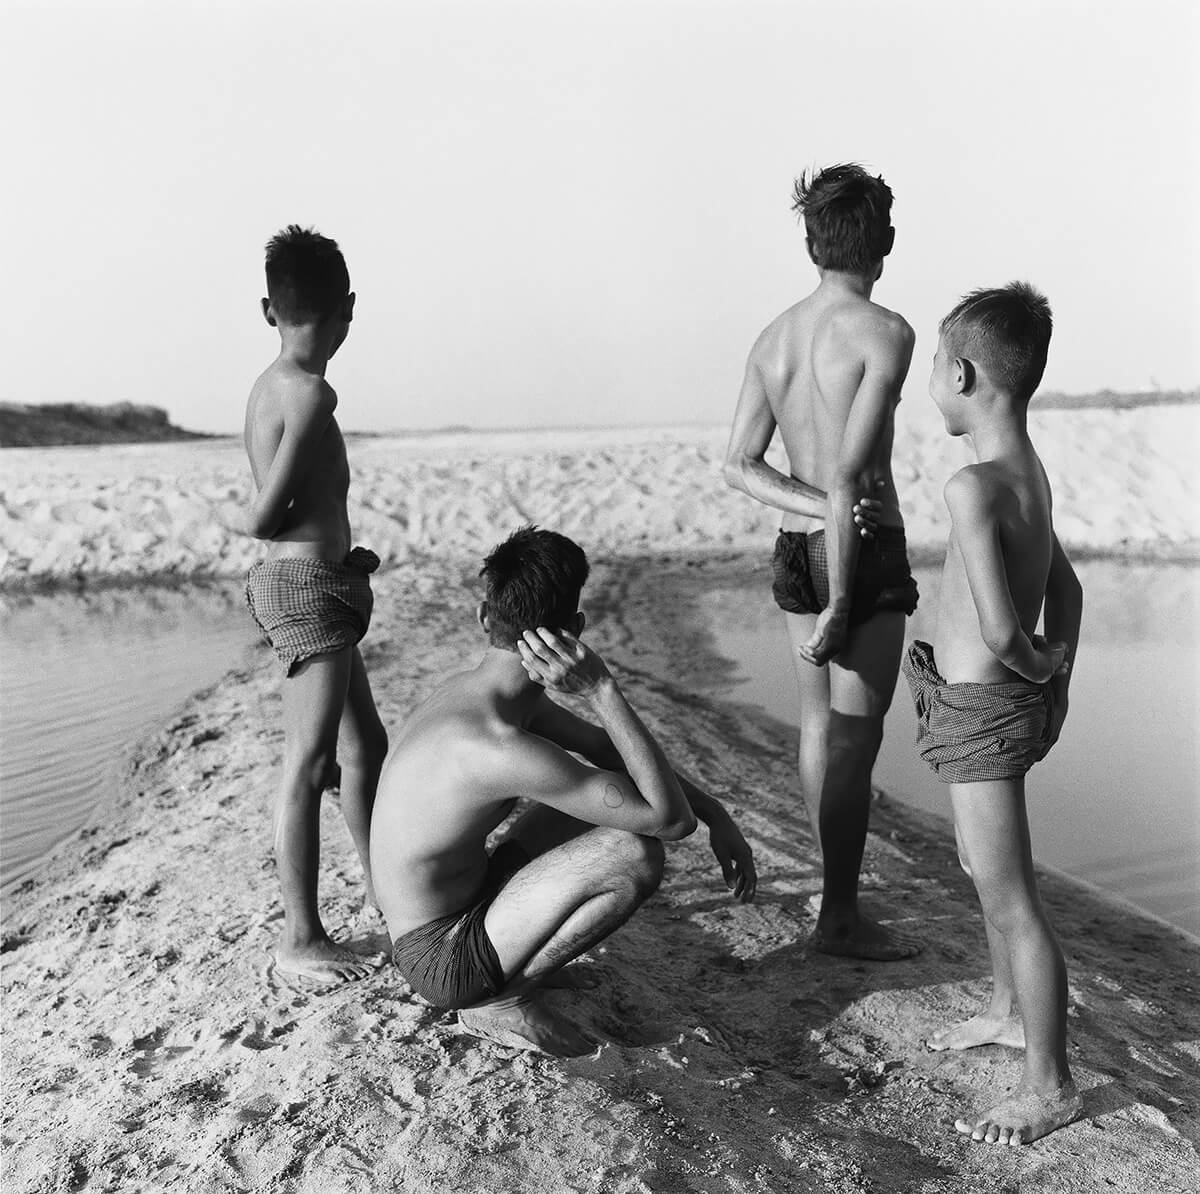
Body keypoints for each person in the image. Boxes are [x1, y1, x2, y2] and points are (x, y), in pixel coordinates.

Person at [370, 527, 757, 1055]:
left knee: (613, 793)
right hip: (442, 956)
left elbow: (604, 749)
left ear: (486, 617)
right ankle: (501, 1001)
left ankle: (514, 963)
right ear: (576, 629)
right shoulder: (497, 745)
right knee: (635, 851)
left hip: (459, 904)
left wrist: (716, 812)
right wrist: (601, 688)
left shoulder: (470, 693)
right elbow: (671, 822)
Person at [724, 163, 919, 960]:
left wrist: (808, 508)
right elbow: (847, 476)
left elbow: (739, 462)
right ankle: (839, 915)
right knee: (857, 736)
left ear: (811, 244)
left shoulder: (774, 337)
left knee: (818, 725)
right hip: (858, 556)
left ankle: (833, 898)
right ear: (887, 243)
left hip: (798, 548)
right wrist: (842, 599)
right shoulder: (886, 334)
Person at [907, 282, 1083, 1144]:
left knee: (1013, 897)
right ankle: (1008, 1011)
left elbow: (1004, 629)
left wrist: (1037, 664)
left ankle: (1049, 1083)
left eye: (935, 369)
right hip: (984, 704)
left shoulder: (973, 486)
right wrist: (1060, 681)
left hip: (979, 708)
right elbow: (1070, 590)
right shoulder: (1028, 473)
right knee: (982, 868)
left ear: (965, 373)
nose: (931, 384)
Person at [243, 226, 389, 985]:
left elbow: (308, 497)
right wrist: (260, 527)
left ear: (269, 307)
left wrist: (343, 556)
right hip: (303, 587)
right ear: (349, 308)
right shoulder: (310, 390)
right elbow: (268, 516)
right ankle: (300, 939)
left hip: (320, 580)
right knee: (309, 762)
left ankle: (382, 886)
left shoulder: (272, 383)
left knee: (367, 745)